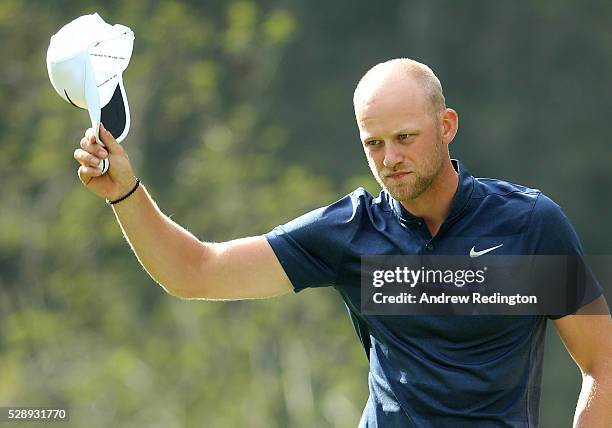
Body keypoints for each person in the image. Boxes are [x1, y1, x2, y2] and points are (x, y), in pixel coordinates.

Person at [73, 58, 611, 427]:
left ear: (446, 125)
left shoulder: (528, 225)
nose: (389, 159)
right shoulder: (350, 234)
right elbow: (197, 271)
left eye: (405, 138)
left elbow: (603, 364)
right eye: (373, 144)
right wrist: (126, 193)